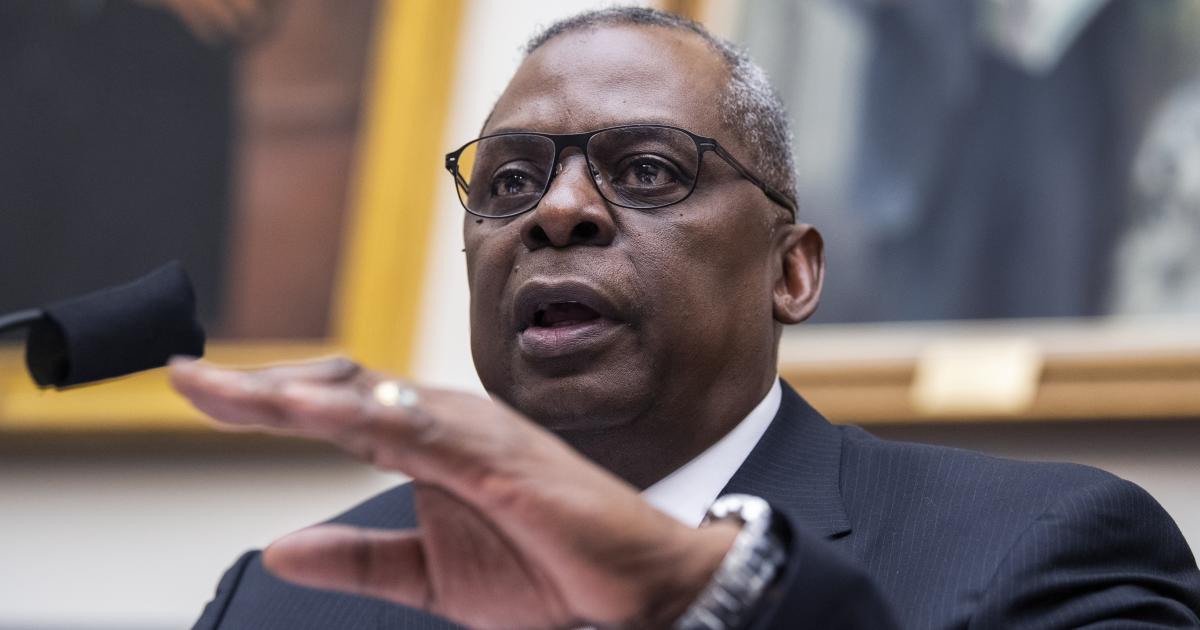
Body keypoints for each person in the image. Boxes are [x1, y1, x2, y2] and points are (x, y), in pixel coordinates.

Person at [171, 7, 1200, 629]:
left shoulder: (1042, 551)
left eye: (648, 170)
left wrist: (717, 598)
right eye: (510, 181)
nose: (557, 212)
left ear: (792, 272)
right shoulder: (283, 597)